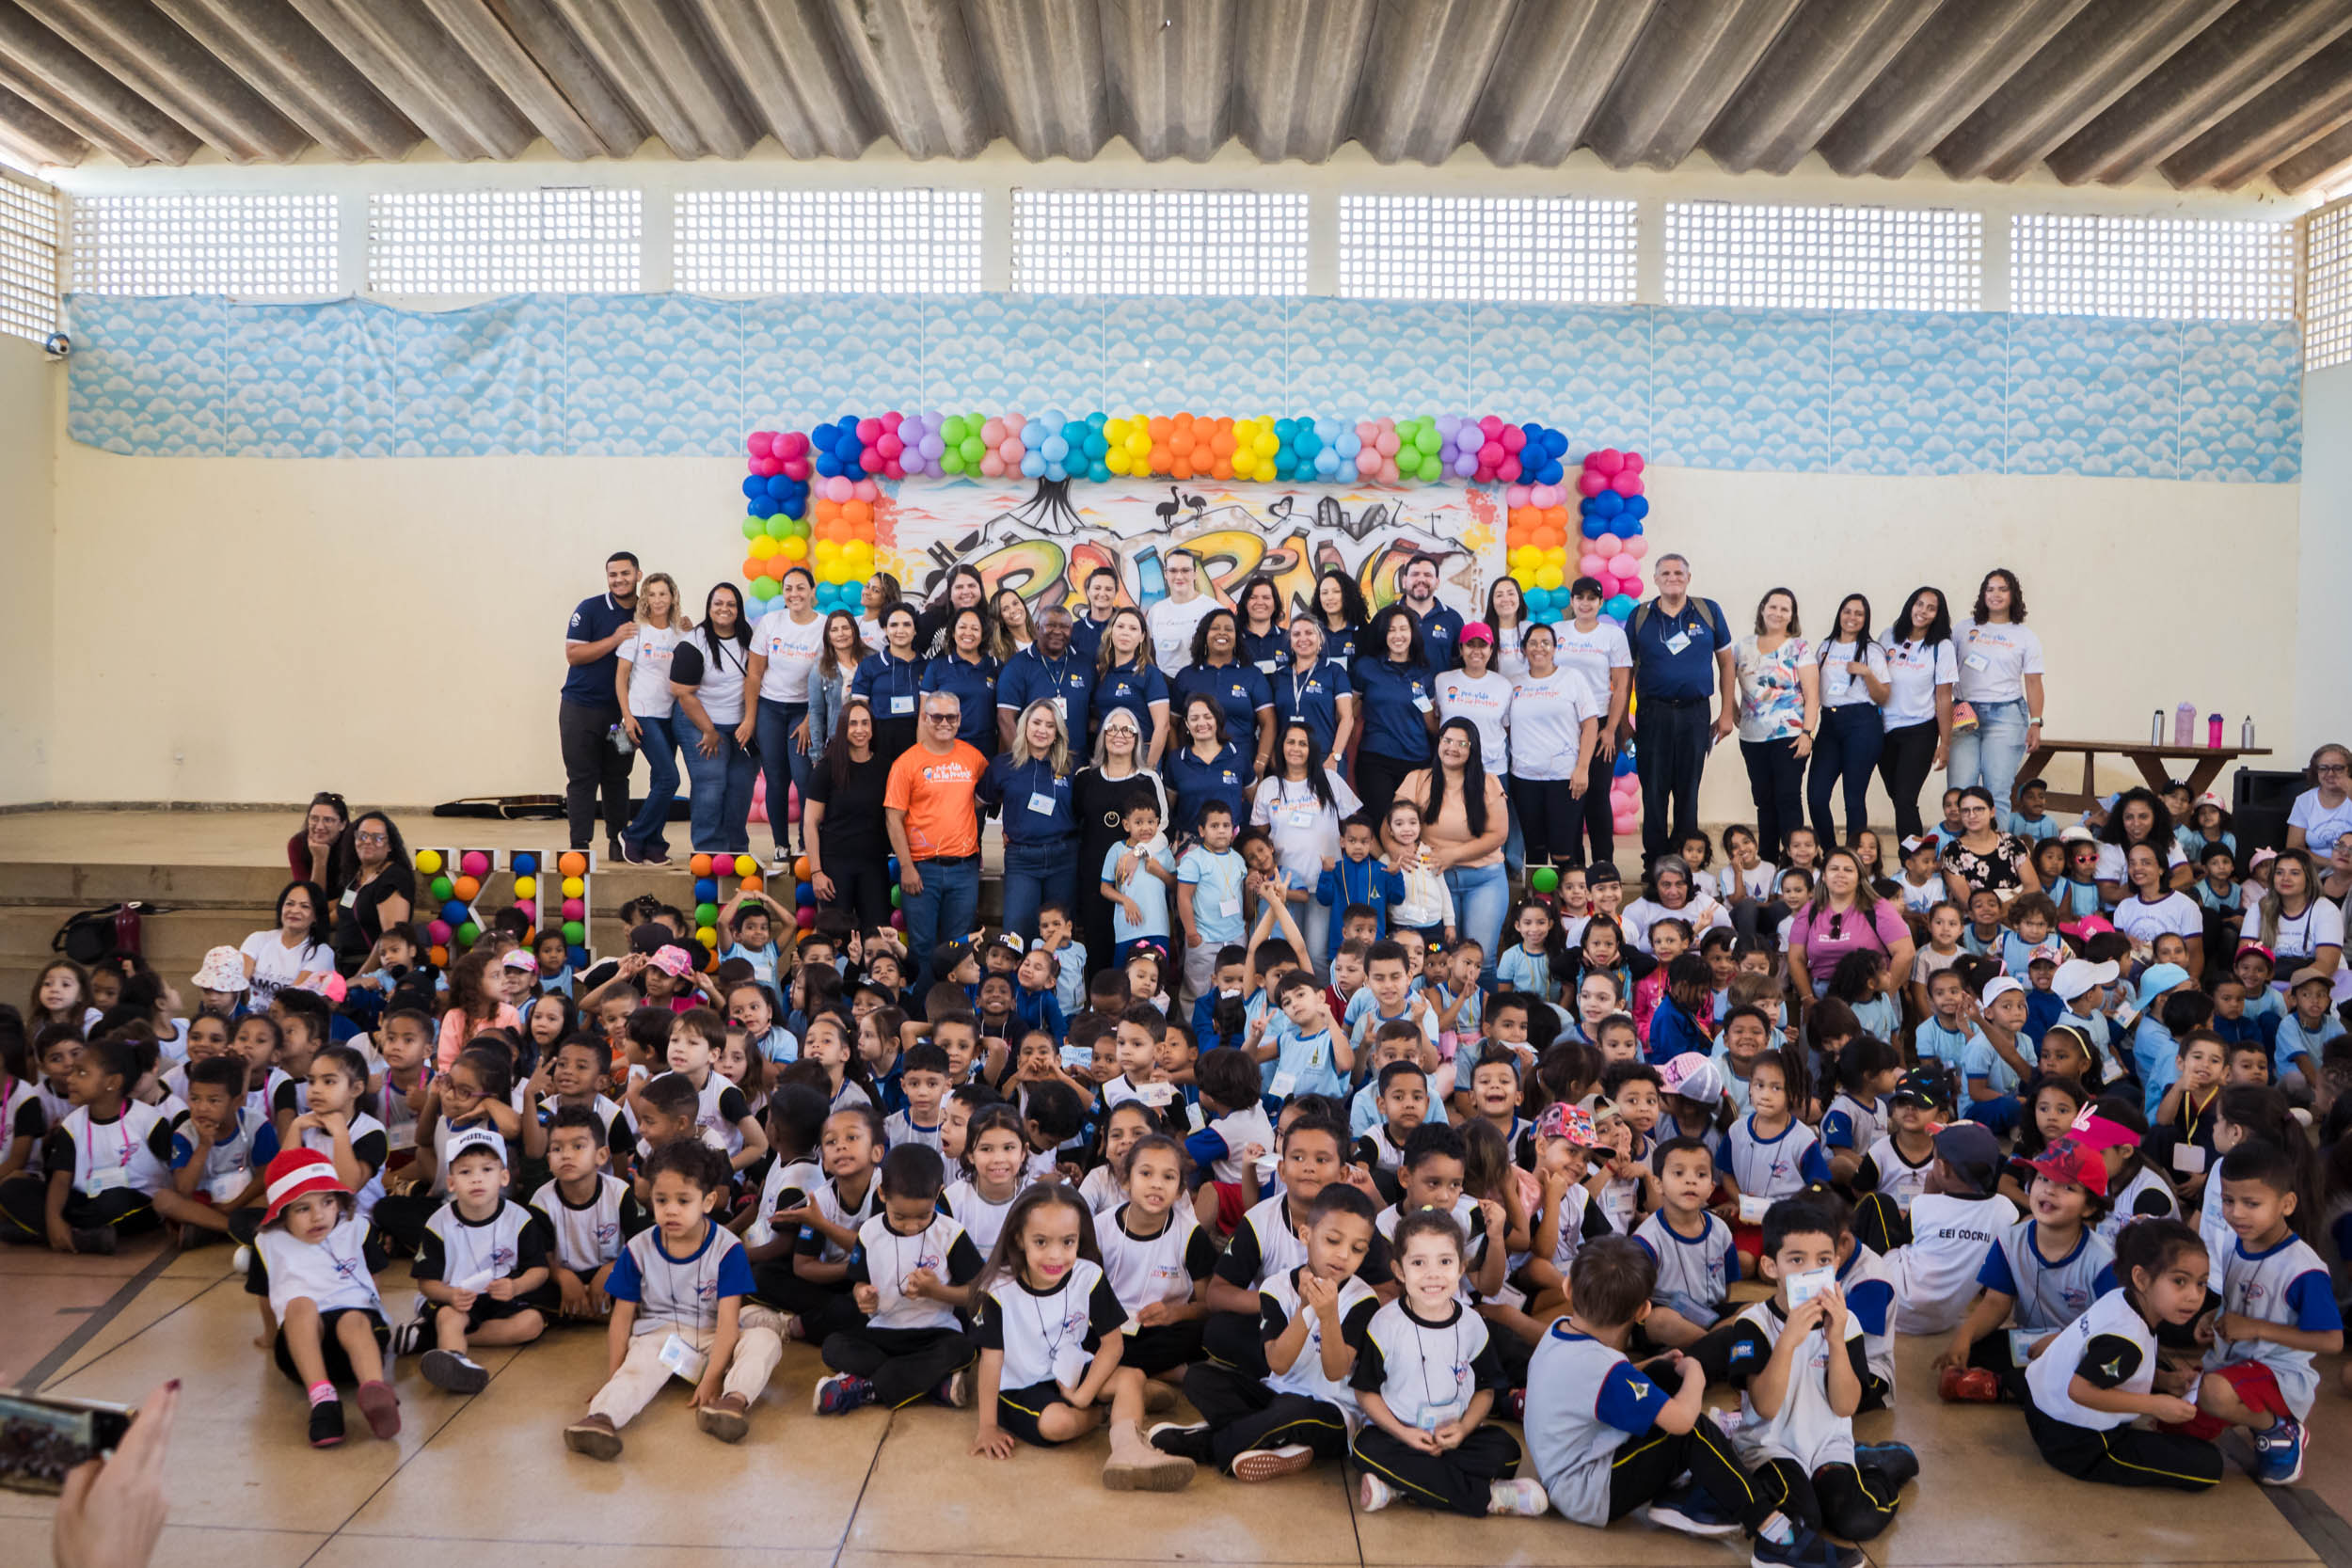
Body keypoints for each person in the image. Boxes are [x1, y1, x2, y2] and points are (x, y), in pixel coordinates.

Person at [562, 1138, 787, 1458]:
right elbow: (621, 1319)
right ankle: (602, 1418)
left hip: (713, 1340)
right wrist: (612, 1377)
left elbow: (726, 1324)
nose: (670, 1210)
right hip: (661, 1341)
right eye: (661, 1199)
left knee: (766, 1339)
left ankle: (733, 1402)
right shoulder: (637, 1249)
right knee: (639, 1365)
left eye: (683, 1200)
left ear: (708, 1202)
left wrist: (711, 1380)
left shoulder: (728, 1249)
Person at [1627, 554, 1735, 863]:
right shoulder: (1640, 616)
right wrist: (1622, 721)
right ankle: (1656, 864)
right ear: (1656, 579)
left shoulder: (1708, 611)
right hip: (1652, 714)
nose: (1672, 577)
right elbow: (1623, 673)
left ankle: (1687, 864)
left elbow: (1727, 663)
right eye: (1665, 573)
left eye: (1678, 573)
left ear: (1688, 577)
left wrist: (1727, 713)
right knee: (1654, 791)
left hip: (1695, 713)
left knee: (1689, 791)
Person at [1390, 721, 1512, 975]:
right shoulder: (1417, 779)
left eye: (1462, 743)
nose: (1452, 748)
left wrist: (1452, 854)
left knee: (1481, 959)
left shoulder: (1488, 783)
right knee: (1438, 961)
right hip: (1433, 882)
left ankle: (1483, 1015)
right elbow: (1388, 823)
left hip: (1484, 878)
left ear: (1472, 749)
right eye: (1447, 740)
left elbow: (1499, 834)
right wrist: (1396, 850)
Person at [885, 692, 986, 991]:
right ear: (925, 719)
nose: (944, 723)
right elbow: (893, 819)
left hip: (964, 868)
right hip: (922, 869)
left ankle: (953, 1012)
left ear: (959, 719)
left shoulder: (973, 758)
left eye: (951, 717)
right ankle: (923, 1012)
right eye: (937, 717)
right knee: (922, 945)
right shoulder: (907, 763)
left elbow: (986, 797)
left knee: (958, 946)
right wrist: (906, 867)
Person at [1073, 708, 1170, 972]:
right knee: (1098, 947)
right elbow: (1075, 822)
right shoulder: (1084, 778)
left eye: (1128, 730)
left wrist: (1137, 853)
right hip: (1095, 877)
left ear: (1137, 738)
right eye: (1112, 728)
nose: (1119, 735)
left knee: (1134, 952)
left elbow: (1163, 829)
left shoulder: (1149, 779)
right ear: (1102, 735)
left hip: (1136, 880)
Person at [1502, 621, 1599, 879]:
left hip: (1565, 778)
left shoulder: (1571, 678)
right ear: (1524, 649)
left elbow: (1590, 724)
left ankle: (1571, 908)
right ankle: (1537, 910)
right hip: (1524, 778)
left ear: (1555, 648)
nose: (1539, 648)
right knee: (1535, 849)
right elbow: (1508, 727)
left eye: (1546, 642)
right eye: (1532, 643)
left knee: (1563, 851)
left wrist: (1582, 768)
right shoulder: (1513, 684)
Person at [1947, 569, 2045, 822]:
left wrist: (2036, 722)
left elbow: (2033, 682)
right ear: (1982, 594)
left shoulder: (2025, 636)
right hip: (1963, 714)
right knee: (1959, 791)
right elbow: (1943, 672)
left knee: (1997, 792)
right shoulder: (1963, 629)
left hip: (2007, 715)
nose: (1996, 594)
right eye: (1990, 589)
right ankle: (1959, 854)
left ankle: (1997, 855)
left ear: (2013, 594)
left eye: (2002, 589)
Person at [560, 550, 641, 858]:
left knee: (618, 778)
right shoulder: (590, 609)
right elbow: (573, 654)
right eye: (613, 574)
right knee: (582, 778)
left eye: (625, 573)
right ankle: (579, 847)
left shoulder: (646, 611)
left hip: (621, 717)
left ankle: (617, 844)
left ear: (638, 575)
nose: (619, 580)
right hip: (580, 710)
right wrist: (616, 638)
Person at [977, 700, 1079, 942]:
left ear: (1057, 733)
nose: (1042, 730)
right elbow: (977, 803)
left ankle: (1057, 982)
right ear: (1024, 726)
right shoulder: (1003, 765)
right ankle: (1015, 981)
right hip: (1022, 859)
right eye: (1036, 723)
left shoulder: (1071, 766)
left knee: (1059, 937)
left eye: (1050, 725)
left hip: (1063, 858)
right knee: (1016, 935)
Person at [745, 567, 827, 863]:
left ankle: (807, 842)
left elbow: (829, 676)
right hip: (770, 707)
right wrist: (750, 718)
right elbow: (754, 674)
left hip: (805, 709)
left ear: (812, 591)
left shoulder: (824, 627)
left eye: (801, 588)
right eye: (789, 588)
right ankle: (781, 845)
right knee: (776, 778)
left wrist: (810, 718)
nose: (794, 594)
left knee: (805, 778)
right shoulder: (770, 622)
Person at [669, 583, 757, 856]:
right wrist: (708, 730)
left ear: (739, 609)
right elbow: (682, 692)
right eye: (718, 603)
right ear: (709, 607)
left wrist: (750, 721)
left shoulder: (750, 637)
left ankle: (735, 850)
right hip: (699, 721)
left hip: (741, 724)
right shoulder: (694, 643)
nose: (724, 609)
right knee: (711, 782)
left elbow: (755, 680)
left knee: (741, 786)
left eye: (731, 604)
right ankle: (708, 851)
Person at [1552, 577, 1634, 868]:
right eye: (1579, 597)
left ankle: (1603, 866)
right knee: (1569, 796)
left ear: (1601, 603)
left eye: (1591, 597)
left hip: (1600, 721)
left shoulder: (1612, 636)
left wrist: (1611, 729)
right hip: (1562, 724)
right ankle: (1572, 868)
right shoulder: (1556, 631)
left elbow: (1621, 686)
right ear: (1572, 601)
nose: (1585, 603)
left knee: (1597, 795)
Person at [1734, 588, 1818, 865]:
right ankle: (1769, 862)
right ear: (1762, 609)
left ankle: (1797, 862)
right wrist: (1736, 718)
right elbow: (1727, 687)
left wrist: (1807, 732)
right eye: (1773, 607)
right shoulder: (1742, 647)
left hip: (1790, 736)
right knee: (1764, 802)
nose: (1778, 613)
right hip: (1752, 739)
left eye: (1785, 609)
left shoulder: (1799, 648)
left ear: (1792, 616)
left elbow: (1812, 694)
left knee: (1788, 799)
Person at [615, 570, 690, 864]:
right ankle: (633, 835)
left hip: (670, 715)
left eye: (663, 593)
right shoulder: (637, 631)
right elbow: (621, 676)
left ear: (672, 597)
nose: (658, 599)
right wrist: (627, 716)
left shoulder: (680, 633)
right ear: (645, 598)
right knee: (670, 778)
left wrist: (691, 628)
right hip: (643, 713)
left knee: (661, 778)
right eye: (652, 593)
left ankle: (654, 844)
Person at [1875, 585, 1956, 843]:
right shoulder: (1888, 636)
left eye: (1931, 608)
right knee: (1899, 797)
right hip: (1883, 729)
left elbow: (1944, 698)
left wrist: (1945, 743)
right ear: (1911, 605)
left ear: (1938, 615)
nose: (1923, 611)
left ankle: (1910, 861)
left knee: (1906, 797)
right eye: (1919, 604)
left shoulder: (1941, 647)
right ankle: (1914, 854)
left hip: (1919, 730)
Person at [803, 699, 892, 931]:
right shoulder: (827, 768)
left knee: (876, 935)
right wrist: (816, 872)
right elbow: (810, 823)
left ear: (873, 728)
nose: (860, 730)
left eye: (865, 723)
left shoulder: (886, 769)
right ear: (843, 729)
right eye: (853, 724)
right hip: (835, 865)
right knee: (836, 937)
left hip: (874, 864)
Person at [1808, 594, 1889, 847]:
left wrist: (1866, 674)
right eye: (1847, 611)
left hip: (1862, 723)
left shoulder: (1872, 651)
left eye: (1859, 613)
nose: (1852, 617)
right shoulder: (1825, 647)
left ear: (1865, 619)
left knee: (1853, 798)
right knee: (1816, 795)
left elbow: (1883, 697)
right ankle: (1831, 852)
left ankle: (1855, 858)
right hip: (1829, 723)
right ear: (1839, 614)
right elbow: (1812, 688)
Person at [1784, 849, 1915, 1000]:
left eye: (1848, 870)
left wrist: (1885, 996)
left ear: (1859, 877)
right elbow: (1795, 958)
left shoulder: (1879, 908)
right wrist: (1807, 999)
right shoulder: (1809, 911)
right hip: (1822, 997)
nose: (1841, 874)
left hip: (1871, 993)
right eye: (1834, 869)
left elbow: (1906, 953)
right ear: (1824, 876)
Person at [1351, 604, 1439, 824]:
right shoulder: (1366, 668)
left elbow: (1430, 723)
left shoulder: (1424, 673)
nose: (1398, 635)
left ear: (1412, 633)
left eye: (1403, 629)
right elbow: (1348, 714)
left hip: (1417, 760)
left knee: (1413, 823)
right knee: (1383, 822)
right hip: (1376, 759)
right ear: (1383, 634)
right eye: (1391, 630)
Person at [1171, 610, 1276, 779]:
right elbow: (1172, 724)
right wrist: (1177, 761)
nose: (1222, 633)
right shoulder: (1186, 676)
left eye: (1228, 629)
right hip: (1196, 769)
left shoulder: (1252, 674)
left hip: (1243, 767)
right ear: (1204, 635)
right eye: (1215, 628)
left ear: (1237, 637)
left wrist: (1261, 762)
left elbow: (1269, 722)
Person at [996, 604, 1095, 755]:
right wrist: (1023, 761)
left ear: (1071, 630)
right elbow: (1005, 718)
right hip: (1036, 763)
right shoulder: (1017, 666)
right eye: (1050, 625)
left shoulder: (1085, 664)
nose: (1057, 631)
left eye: (1064, 627)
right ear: (1037, 627)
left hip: (1077, 762)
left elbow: (1094, 715)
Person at [326, 812, 413, 977]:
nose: (367, 842)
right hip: (343, 967)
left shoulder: (393, 878)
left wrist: (358, 979)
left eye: (377, 838)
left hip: (374, 976)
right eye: (362, 836)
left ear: (389, 846)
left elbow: (391, 940)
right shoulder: (357, 876)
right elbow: (342, 913)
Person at [1162, 694, 1254, 842]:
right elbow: (1167, 810)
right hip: (1190, 844)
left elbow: (1256, 801)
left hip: (1231, 844)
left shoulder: (1238, 756)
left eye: (1207, 716)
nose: (1201, 723)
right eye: (1194, 718)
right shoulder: (1176, 760)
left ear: (1217, 719)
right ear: (1186, 723)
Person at [1091, 605, 1172, 765]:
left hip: (1141, 754)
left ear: (1142, 637)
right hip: (1106, 754)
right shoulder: (1101, 672)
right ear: (1111, 631)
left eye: (1133, 628)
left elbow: (1162, 727)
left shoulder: (1150, 674)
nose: (1125, 632)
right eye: (1120, 626)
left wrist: (1149, 769)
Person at [850, 602, 927, 768]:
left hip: (917, 738)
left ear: (915, 631)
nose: (900, 630)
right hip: (879, 739)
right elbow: (858, 708)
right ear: (885, 629)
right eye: (894, 625)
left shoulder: (927, 666)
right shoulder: (869, 665)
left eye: (907, 624)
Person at [1271, 613, 1354, 765]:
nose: (1303, 639)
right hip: (1288, 757)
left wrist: (1335, 756)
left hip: (1324, 757)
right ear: (1291, 642)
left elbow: (1346, 718)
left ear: (1320, 639)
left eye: (1309, 633)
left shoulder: (1335, 671)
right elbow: (1272, 722)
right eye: (1296, 634)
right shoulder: (1279, 675)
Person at [242, 881, 334, 1012]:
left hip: (288, 1019)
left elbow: (293, 996)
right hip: (248, 1018)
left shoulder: (322, 952)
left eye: (305, 906)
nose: (295, 910)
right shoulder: (257, 938)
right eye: (289, 904)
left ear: (316, 917)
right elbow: (240, 982)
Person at [920, 606, 1001, 755]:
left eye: (975, 628)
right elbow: (923, 717)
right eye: (962, 627)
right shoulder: (937, 666)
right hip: (946, 751)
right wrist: (924, 757)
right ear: (952, 632)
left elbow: (1004, 717)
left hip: (986, 752)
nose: (968, 633)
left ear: (983, 634)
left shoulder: (995, 666)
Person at [1941, 786, 2040, 906]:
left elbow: (2033, 887)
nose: (1972, 815)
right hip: (1975, 920)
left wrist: (2005, 909)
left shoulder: (2011, 843)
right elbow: (1968, 903)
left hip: (2015, 917)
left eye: (1979, 809)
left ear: (1992, 812)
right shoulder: (1953, 852)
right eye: (1965, 810)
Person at [805, 608, 869, 753]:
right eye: (834, 630)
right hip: (837, 740)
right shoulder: (820, 668)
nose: (841, 634)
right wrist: (817, 753)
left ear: (854, 631)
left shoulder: (871, 660)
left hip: (868, 740)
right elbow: (816, 712)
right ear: (828, 636)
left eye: (845, 628)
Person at [1147, 548, 1218, 673]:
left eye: (1185, 570)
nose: (1179, 576)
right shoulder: (1155, 611)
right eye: (1173, 570)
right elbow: (1149, 651)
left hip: (1201, 684)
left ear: (1195, 573)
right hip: (1166, 686)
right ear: (1165, 574)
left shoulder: (1213, 609)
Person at [1396, 553, 1464, 672]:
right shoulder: (1386, 616)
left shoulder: (1453, 619)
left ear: (1437, 582)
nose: (1421, 579)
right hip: (1398, 690)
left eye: (1428, 575)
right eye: (1415, 574)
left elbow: (1460, 662)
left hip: (1440, 689)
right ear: (1404, 581)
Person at [2286, 743, 2352, 856]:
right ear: (2316, 772)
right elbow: (2294, 847)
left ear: (2349, 770)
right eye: (2323, 768)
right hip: (2317, 870)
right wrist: (2332, 864)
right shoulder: (2304, 801)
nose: (2330, 773)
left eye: (2338, 768)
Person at [914, 562, 988, 660]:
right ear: (950, 594)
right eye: (959, 587)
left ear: (980, 590)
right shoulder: (930, 620)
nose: (966, 592)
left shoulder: (992, 620)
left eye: (971, 586)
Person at [287, 793, 347, 888]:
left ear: (342, 825)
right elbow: (309, 897)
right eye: (314, 818)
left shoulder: (354, 845)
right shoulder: (297, 844)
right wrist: (319, 860)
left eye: (328, 820)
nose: (319, 827)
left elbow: (354, 894)